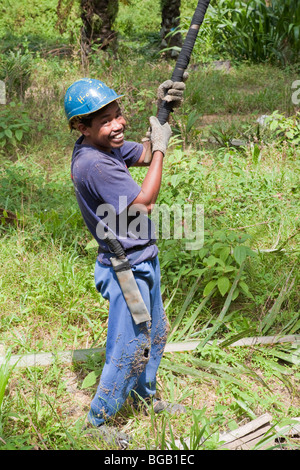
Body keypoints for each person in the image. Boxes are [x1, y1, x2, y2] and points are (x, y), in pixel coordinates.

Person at [64, 77, 186, 448]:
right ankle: (98, 420)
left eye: (118, 115)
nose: (116, 125)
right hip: (125, 269)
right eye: (105, 121)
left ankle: (142, 396)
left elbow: (145, 153)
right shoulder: (94, 164)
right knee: (129, 343)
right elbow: (145, 203)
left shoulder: (107, 146)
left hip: (142, 257)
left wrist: (162, 115)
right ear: (82, 128)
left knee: (155, 332)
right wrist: (163, 148)